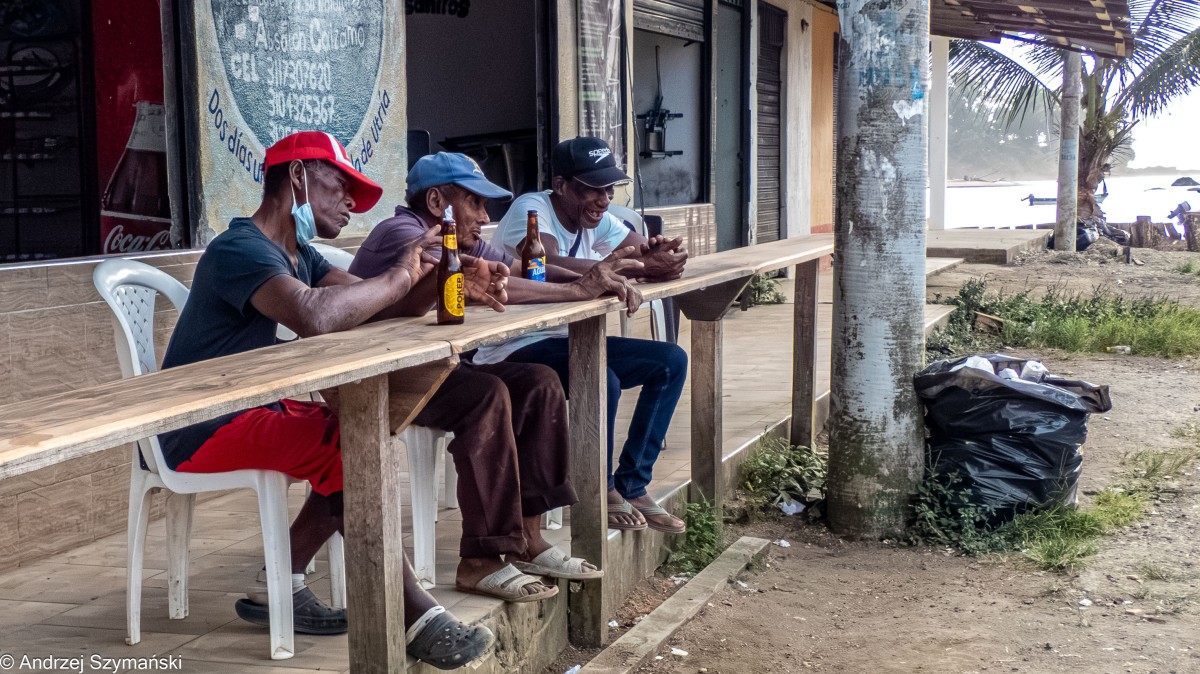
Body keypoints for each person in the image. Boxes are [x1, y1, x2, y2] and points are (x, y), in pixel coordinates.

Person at [158, 131, 520, 670]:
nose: (351, 201)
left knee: (354, 437)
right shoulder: (239, 248)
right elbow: (316, 314)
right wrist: (400, 271)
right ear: (298, 175)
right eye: (341, 185)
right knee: (350, 447)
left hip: (249, 410)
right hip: (198, 425)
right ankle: (412, 614)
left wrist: (444, 274)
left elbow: (375, 308)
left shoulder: (295, 253)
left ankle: (277, 582)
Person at [481, 137, 691, 534]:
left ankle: (633, 482)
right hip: (509, 346)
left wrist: (660, 257)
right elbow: (544, 261)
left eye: (610, 189)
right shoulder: (532, 209)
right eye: (592, 189)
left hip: (565, 342)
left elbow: (637, 252)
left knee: (671, 361)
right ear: (561, 185)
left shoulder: (596, 217)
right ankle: (600, 485)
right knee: (602, 378)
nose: (604, 199)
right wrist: (624, 267)